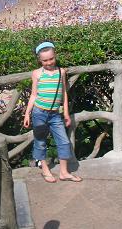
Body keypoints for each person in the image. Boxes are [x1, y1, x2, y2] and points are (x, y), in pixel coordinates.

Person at [23, 41, 82, 183]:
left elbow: (64, 94)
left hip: (55, 114)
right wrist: (27, 113)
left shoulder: (61, 72)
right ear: (39, 60)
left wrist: (66, 113)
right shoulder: (37, 74)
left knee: (63, 142)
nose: (48, 62)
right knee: (40, 141)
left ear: (55, 56)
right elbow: (33, 95)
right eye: (45, 60)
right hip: (39, 113)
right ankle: (45, 169)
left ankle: (63, 172)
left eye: (51, 59)